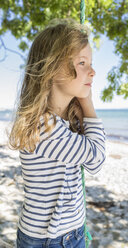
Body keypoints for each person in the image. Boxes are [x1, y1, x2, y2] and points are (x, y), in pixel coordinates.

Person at [9, 18, 106, 248]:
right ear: (51, 68)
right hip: (51, 239)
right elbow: (97, 158)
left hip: (70, 231)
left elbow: (92, 165)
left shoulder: (63, 121)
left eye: (90, 63)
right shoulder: (45, 127)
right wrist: (88, 103)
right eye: (82, 63)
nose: (92, 72)